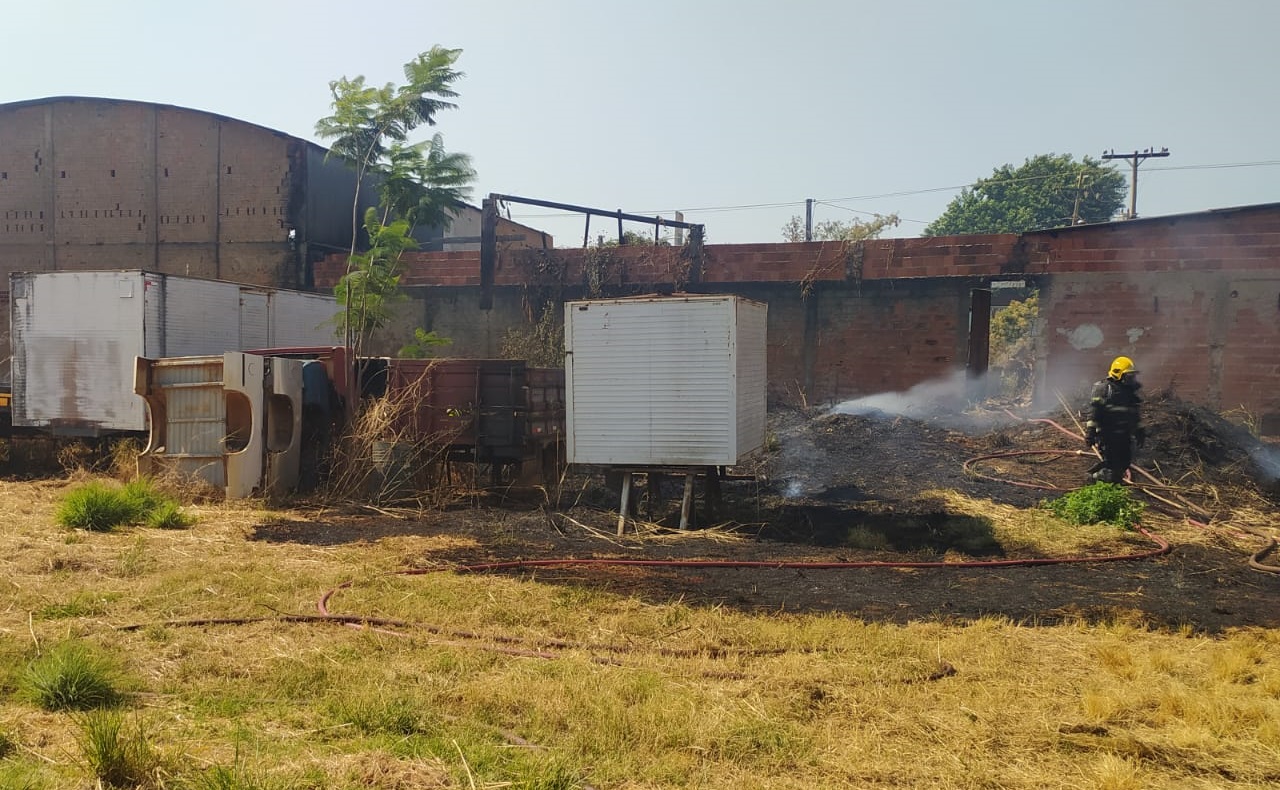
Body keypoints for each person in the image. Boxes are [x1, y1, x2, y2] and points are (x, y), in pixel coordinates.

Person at [1084, 356, 1147, 483]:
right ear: (1118, 374)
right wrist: (1090, 431)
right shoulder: (1104, 389)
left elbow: (1134, 414)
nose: (1132, 379)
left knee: (1124, 464)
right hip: (1107, 435)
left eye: (1132, 376)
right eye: (1129, 376)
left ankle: (1107, 477)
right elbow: (1095, 412)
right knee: (1112, 468)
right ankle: (1093, 478)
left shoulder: (1130, 393)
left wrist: (1140, 430)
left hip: (1124, 435)